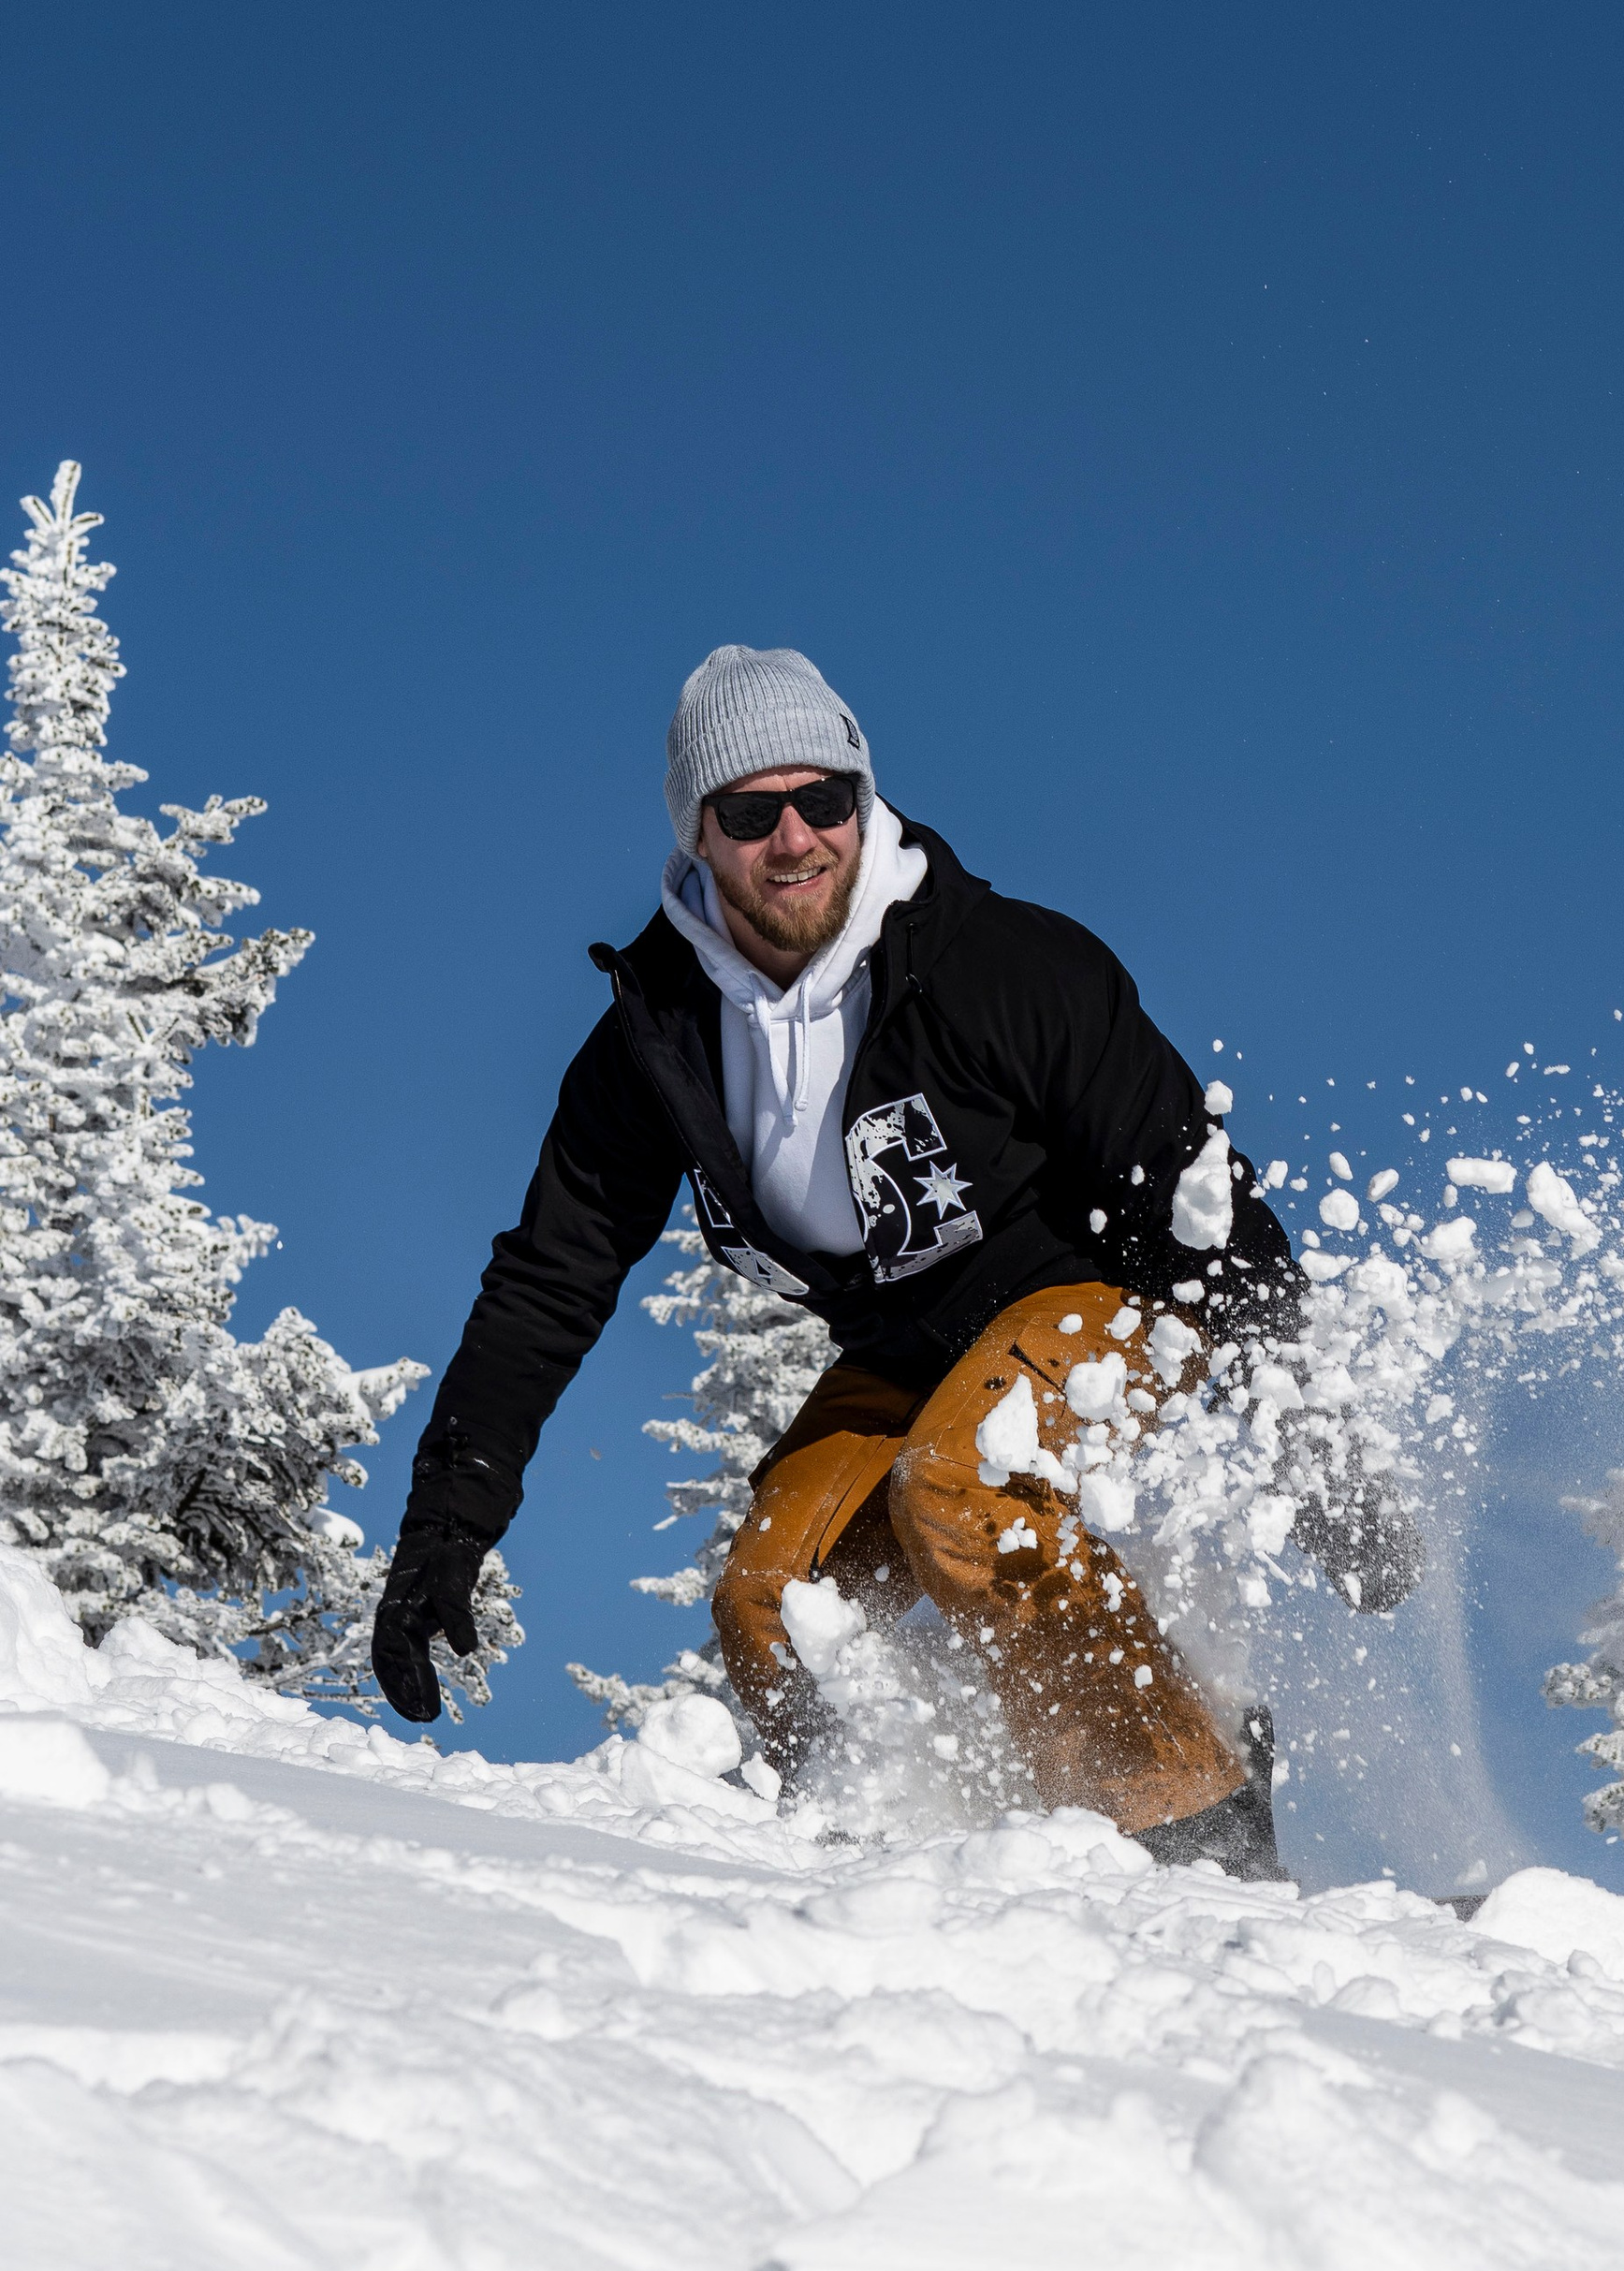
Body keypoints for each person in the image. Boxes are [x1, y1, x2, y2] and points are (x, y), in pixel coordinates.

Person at [371, 646, 1411, 1874]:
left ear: (866, 801)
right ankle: (902, 1856)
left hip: (1093, 1300)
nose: (797, 837)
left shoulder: (1002, 966)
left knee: (964, 1493)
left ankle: (1201, 1842)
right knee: (770, 1601)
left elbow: (1194, 1201)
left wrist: (1313, 1441)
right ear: (698, 833)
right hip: (904, 1352)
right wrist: (447, 1525)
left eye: (827, 801)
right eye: (752, 814)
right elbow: (550, 1277)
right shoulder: (658, 1045)